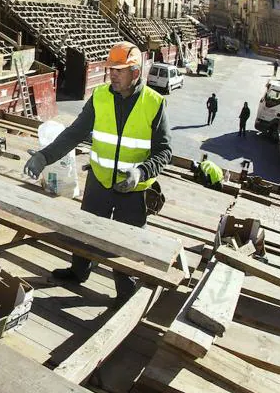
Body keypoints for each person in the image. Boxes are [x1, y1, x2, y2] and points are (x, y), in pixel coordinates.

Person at [23, 41, 172, 300]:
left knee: (124, 245)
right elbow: (74, 133)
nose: (112, 74)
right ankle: (79, 272)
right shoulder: (100, 97)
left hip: (134, 190)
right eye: (110, 69)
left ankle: (125, 293)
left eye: (119, 70)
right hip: (99, 182)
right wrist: (44, 157)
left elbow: (164, 151)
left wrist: (141, 172)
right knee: (85, 233)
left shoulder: (154, 103)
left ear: (135, 72)